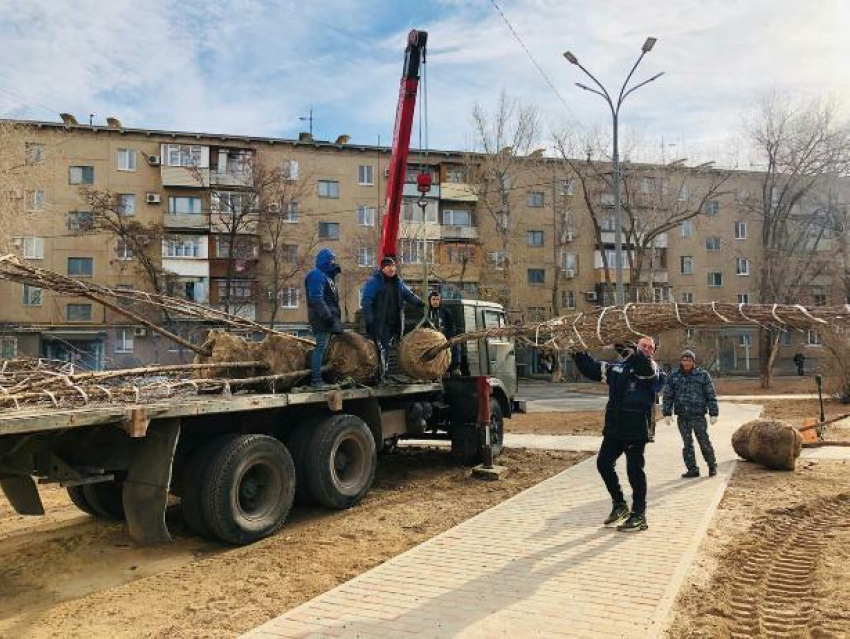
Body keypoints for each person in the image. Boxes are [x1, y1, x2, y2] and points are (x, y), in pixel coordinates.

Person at [572, 337, 661, 533]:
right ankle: (619, 504)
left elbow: (645, 369)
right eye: (642, 345)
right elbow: (591, 369)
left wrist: (632, 350)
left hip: (636, 427)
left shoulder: (653, 369)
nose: (646, 349)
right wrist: (577, 350)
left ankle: (639, 514)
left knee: (634, 470)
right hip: (615, 426)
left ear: (653, 352)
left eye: (649, 347)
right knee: (603, 463)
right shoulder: (618, 368)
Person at [361, 256, 424, 381]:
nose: (392, 269)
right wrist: (369, 318)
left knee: (388, 347)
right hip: (380, 321)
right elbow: (366, 301)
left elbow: (408, 294)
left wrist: (420, 303)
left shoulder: (398, 282)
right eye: (389, 266)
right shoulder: (374, 282)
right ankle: (381, 374)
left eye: (393, 266)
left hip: (395, 322)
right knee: (382, 347)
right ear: (383, 268)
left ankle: (384, 372)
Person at [662, 349, 719, 478]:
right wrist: (667, 412)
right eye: (684, 359)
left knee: (704, 442)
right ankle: (692, 469)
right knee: (687, 444)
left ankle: (712, 466)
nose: (686, 362)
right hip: (683, 417)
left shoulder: (703, 375)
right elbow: (668, 395)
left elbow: (711, 395)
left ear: (693, 361)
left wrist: (713, 413)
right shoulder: (674, 375)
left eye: (689, 360)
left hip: (698, 416)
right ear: (681, 361)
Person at [305, 248, 343, 389]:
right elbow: (316, 298)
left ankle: (322, 378)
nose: (333, 262)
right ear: (323, 260)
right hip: (321, 317)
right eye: (330, 259)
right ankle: (316, 380)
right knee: (320, 347)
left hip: (328, 317)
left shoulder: (327, 277)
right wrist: (327, 316)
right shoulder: (316, 275)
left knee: (324, 348)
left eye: (334, 259)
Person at [426, 291, 460, 374]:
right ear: (429, 300)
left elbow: (451, 327)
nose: (435, 301)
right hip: (429, 340)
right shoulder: (425, 312)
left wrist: (449, 338)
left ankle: (455, 368)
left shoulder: (445, 311)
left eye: (437, 299)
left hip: (444, 339)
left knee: (456, 344)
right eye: (433, 299)